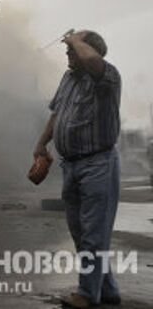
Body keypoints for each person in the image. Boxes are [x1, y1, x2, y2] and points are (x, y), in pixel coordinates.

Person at [33, 31, 122, 308]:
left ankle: (87, 295)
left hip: (97, 164)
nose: (68, 54)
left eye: (73, 50)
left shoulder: (107, 77)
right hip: (70, 165)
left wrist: (75, 39)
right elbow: (57, 114)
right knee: (81, 233)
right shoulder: (68, 78)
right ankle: (107, 290)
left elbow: (94, 62)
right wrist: (40, 145)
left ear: (87, 50)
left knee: (94, 233)